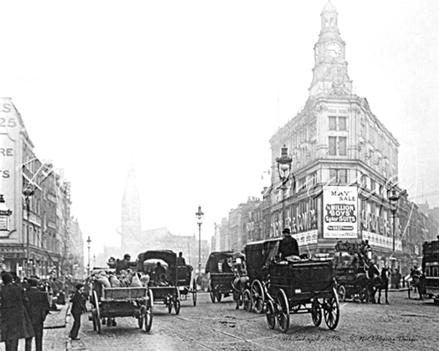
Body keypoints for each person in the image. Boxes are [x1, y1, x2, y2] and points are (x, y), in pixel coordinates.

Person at [0, 272, 34, 351]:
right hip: (17, 316)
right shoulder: (18, 288)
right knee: (15, 338)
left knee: (7, 339)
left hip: (5, 317)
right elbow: (26, 301)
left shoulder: (2, 290)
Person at [25, 278, 50, 351]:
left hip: (28, 319)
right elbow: (47, 307)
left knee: (28, 339)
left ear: (29, 284)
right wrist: (43, 315)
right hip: (39, 319)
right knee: (39, 338)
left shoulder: (26, 294)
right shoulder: (43, 294)